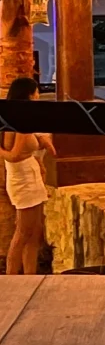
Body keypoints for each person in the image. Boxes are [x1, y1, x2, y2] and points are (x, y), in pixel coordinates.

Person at [2, 78, 55, 275]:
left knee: (35, 230)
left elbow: (28, 146)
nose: (38, 96)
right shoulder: (20, 120)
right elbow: (15, 154)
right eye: (36, 93)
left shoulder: (15, 118)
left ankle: (29, 275)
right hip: (23, 179)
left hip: (29, 174)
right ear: (29, 95)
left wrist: (41, 142)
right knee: (23, 231)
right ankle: (11, 278)